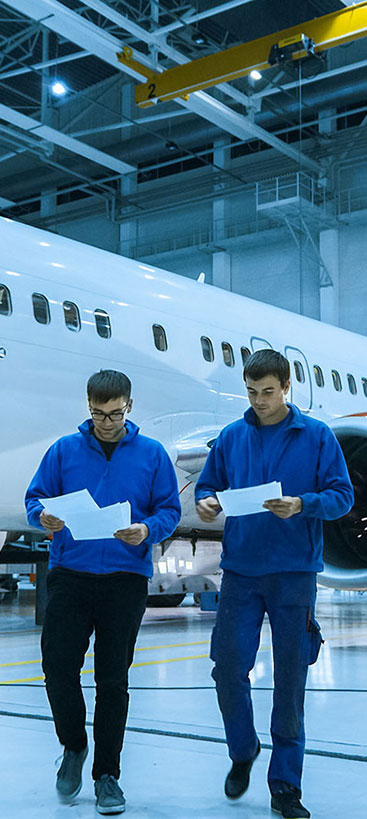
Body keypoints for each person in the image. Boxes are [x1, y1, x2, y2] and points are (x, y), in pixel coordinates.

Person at [195, 349, 354, 819]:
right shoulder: (231, 437)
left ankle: (285, 785)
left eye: (268, 392)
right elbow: (208, 487)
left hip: (293, 575)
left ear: (286, 388)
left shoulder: (318, 437)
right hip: (241, 573)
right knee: (227, 669)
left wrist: (303, 504)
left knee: (290, 683)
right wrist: (206, 503)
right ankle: (242, 751)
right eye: (251, 392)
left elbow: (342, 497)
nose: (259, 401)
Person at [25, 369, 181, 815]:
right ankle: (74, 747)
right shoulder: (63, 451)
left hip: (125, 578)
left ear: (129, 405)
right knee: (57, 669)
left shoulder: (151, 455)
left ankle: (107, 775)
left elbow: (169, 509)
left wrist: (146, 529)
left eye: (114, 413)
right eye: (98, 413)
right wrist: (44, 518)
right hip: (71, 573)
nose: (107, 422)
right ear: (87, 406)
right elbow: (35, 499)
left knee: (112, 680)